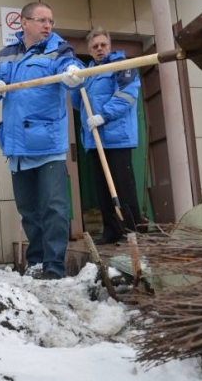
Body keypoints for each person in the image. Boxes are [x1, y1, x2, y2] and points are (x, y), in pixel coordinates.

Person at [0, 2, 84, 280]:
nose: (48, 25)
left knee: (54, 206)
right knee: (28, 209)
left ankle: (54, 266)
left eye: (50, 21)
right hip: (16, 145)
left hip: (48, 144)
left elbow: (71, 67)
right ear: (23, 23)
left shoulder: (59, 49)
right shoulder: (6, 55)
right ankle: (36, 260)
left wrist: (74, 74)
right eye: (41, 20)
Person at [71, 27, 142, 245]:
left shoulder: (122, 66)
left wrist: (104, 115)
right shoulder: (88, 75)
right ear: (90, 50)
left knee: (123, 187)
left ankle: (132, 232)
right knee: (102, 189)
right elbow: (79, 104)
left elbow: (127, 95)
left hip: (117, 138)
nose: (99, 49)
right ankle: (111, 231)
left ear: (109, 47)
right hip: (95, 141)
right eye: (95, 46)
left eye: (103, 45)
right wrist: (75, 86)